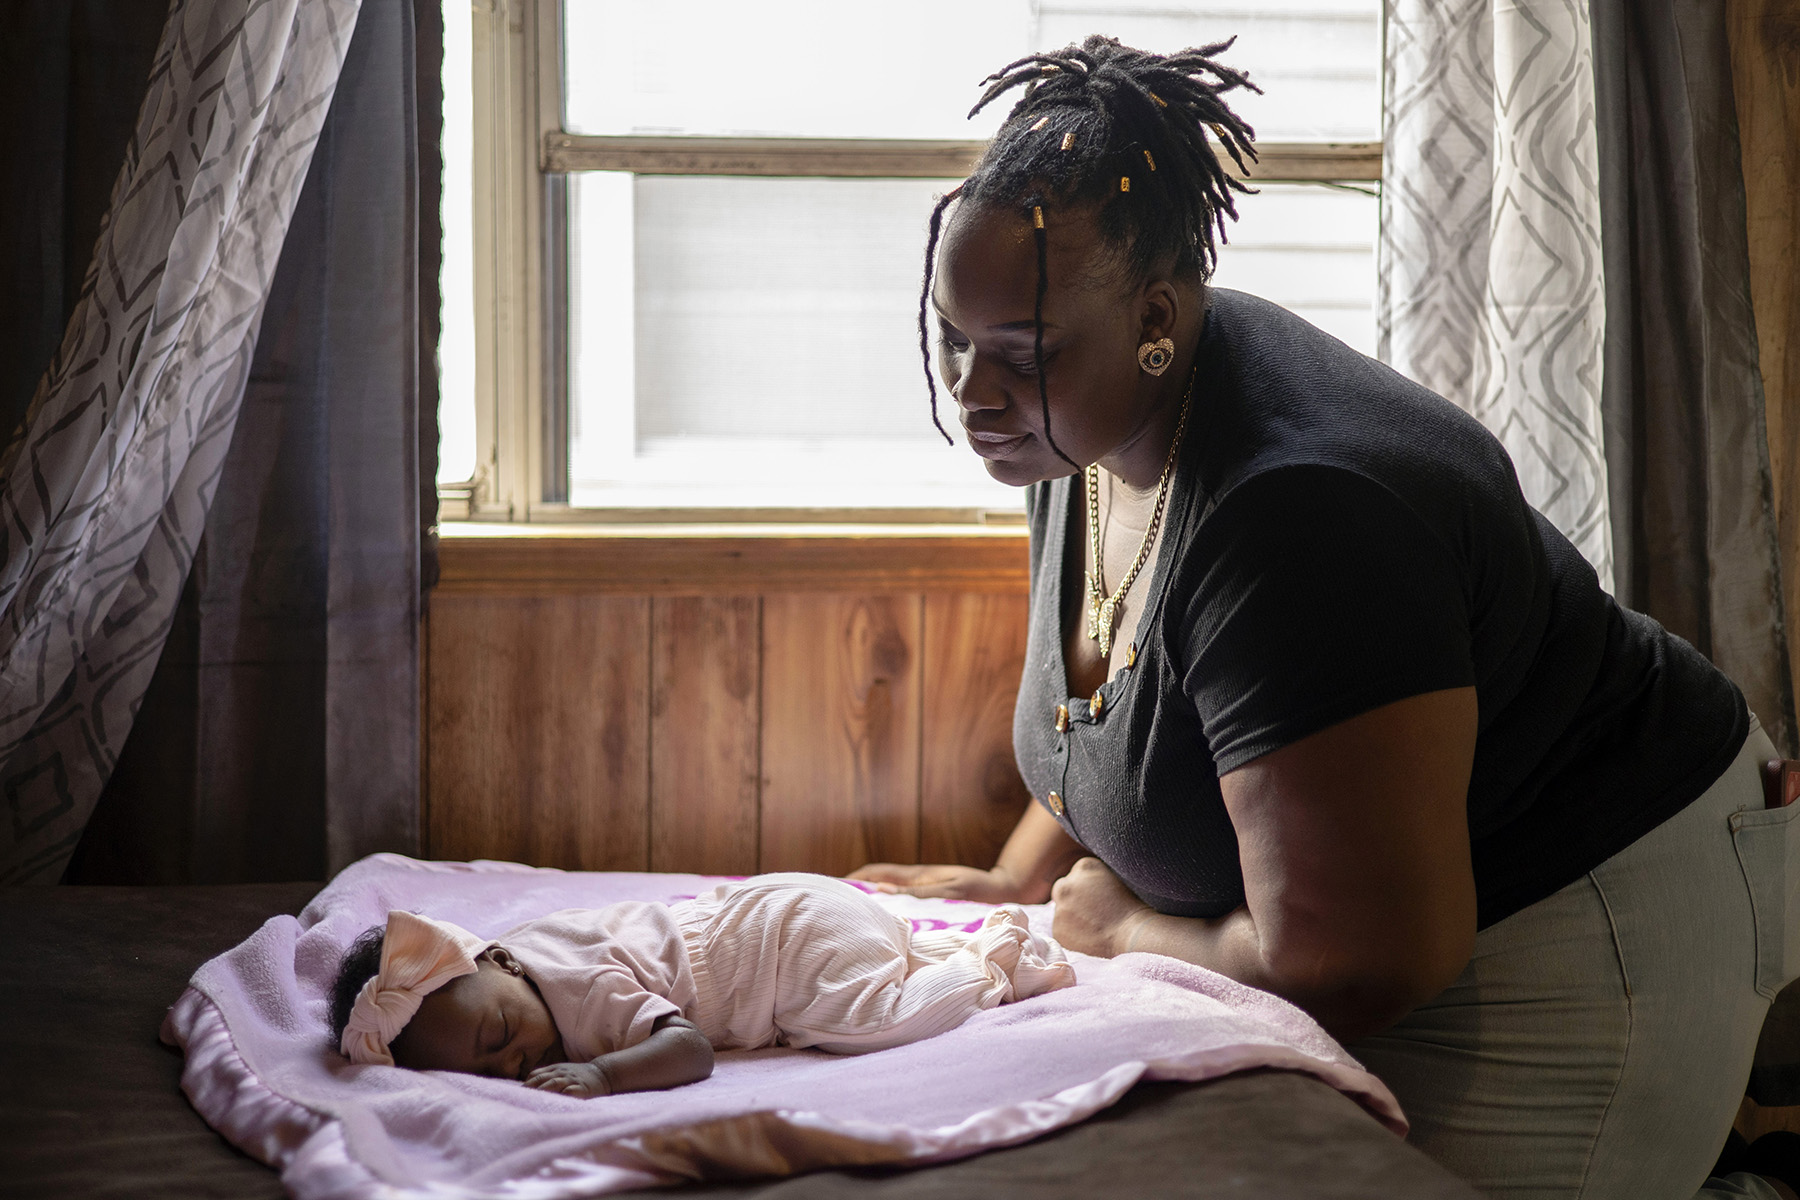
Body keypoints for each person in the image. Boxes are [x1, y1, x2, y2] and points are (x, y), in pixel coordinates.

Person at [851, 34, 1800, 1200]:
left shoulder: (1295, 517)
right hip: (1380, 924)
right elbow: (1117, 706)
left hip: (1590, 906)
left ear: (1156, 314)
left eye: (1020, 351)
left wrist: (1117, 929)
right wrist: (1015, 884)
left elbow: (1359, 961)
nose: (970, 392)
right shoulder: (1079, 427)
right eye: (953, 336)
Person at [329, 873, 1074, 1096]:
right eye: (484, 1070)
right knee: (866, 974)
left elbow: (689, 1051)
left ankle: (991, 966)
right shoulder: (517, 969)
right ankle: (918, 950)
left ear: (501, 963)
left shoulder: (578, 987)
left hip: (781, 944)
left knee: (865, 1025)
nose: (509, 1064)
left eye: (498, 1036)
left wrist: (602, 1072)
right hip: (786, 911)